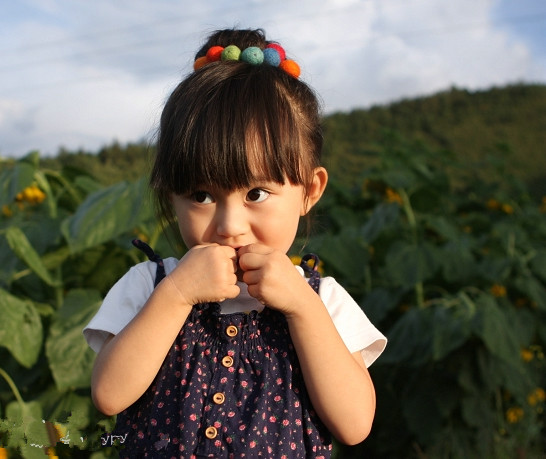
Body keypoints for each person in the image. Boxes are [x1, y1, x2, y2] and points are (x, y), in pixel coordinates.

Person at [84, 28, 387, 458]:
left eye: (256, 195)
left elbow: (355, 424)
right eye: (202, 196)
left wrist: (302, 306)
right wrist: (178, 294)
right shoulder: (150, 286)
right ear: (172, 195)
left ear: (309, 191)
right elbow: (109, 395)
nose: (229, 226)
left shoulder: (323, 301)